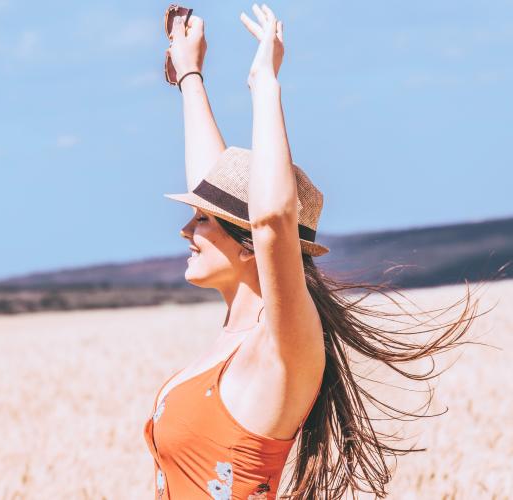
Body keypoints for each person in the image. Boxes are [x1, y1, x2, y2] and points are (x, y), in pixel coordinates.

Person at [144, 4, 492, 499]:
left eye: (201, 220)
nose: (185, 230)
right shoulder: (235, 335)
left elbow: (270, 222)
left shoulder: (284, 343)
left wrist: (264, 83)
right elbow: (219, 193)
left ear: (250, 247)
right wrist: (190, 75)